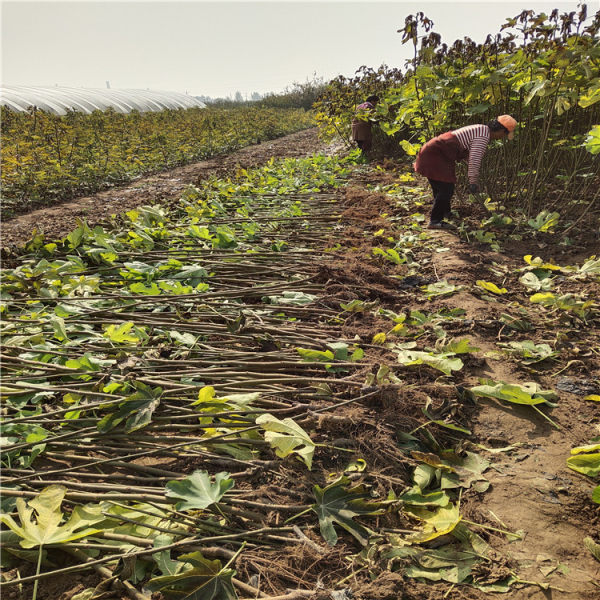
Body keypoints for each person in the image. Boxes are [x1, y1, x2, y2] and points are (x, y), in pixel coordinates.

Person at [413, 115, 518, 229]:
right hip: (436, 154)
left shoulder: (481, 129)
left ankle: (445, 214)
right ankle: (435, 221)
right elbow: (474, 160)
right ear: (502, 131)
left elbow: (468, 155)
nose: (502, 137)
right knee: (446, 189)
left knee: (441, 187)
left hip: (432, 151)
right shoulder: (483, 137)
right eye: (504, 135)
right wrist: (473, 182)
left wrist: (474, 174)